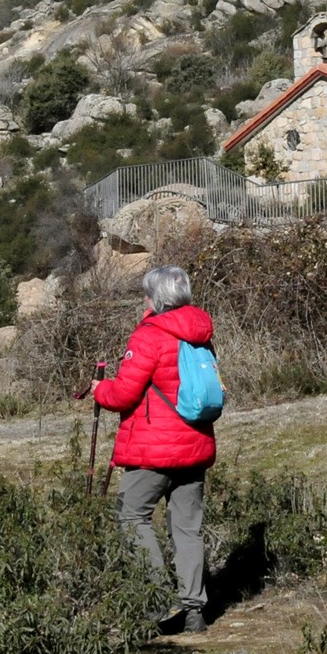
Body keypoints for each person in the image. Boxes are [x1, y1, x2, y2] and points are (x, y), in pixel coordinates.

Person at [90, 265, 217, 634]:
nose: (144, 300)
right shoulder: (201, 335)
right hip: (195, 444)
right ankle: (194, 610)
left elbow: (123, 394)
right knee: (188, 528)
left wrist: (99, 389)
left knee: (131, 517)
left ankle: (156, 600)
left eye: (146, 294)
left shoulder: (148, 336)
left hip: (153, 449)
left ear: (155, 299)